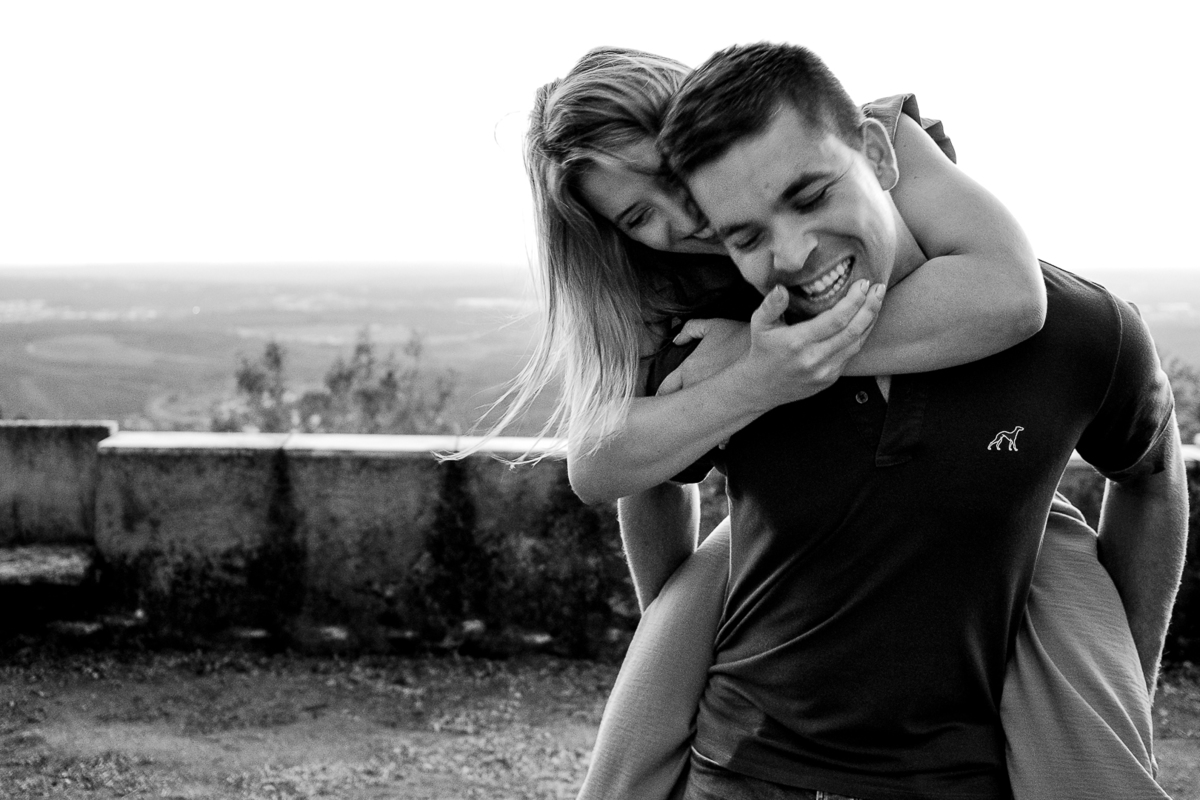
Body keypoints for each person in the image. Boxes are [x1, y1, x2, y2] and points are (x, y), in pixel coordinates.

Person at [491, 47, 1174, 799]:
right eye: (639, 216)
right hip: (743, 759)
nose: (685, 219)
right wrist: (683, 635)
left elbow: (1014, 298)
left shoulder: (893, 154)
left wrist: (1125, 681)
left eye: (671, 177)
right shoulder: (689, 319)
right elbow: (611, 467)